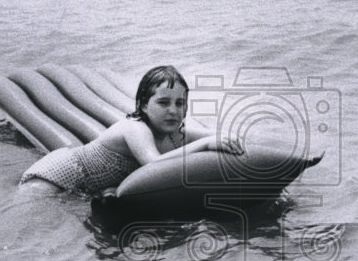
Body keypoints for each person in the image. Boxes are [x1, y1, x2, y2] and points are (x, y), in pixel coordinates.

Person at [19, 65, 242, 196]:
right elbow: (154, 164)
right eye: (163, 103)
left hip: (85, 187)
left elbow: (215, 136)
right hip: (59, 174)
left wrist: (224, 139)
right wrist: (203, 145)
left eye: (180, 104)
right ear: (144, 105)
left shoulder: (175, 132)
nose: (173, 111)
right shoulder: (136, 128)